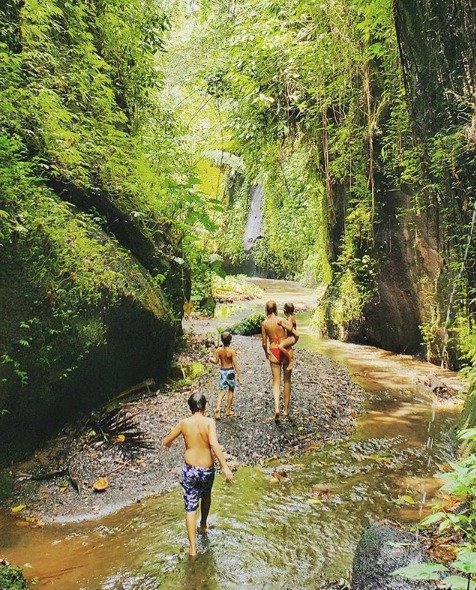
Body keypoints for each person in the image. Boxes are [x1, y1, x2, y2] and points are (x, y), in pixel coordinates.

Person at [163, 392, 234, 556]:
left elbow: (166, 441)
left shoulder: (184, 423)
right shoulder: (209, 422)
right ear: (205, 406)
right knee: (206, 495)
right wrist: (225, 467)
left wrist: (176, 443)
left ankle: (193, 549)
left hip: (190, 470)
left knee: (190, 507)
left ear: (190, 408)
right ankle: (203, 525)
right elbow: (214, 444)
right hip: (207, 470)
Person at [261, 300, 293, 422]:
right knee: (287, 381)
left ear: (266, 309)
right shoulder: (282, 320)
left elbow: (264, 343)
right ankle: (285, 410)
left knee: (276, 382)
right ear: (275, 309)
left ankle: (276, 409)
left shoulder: (264, 323)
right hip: (285, 349)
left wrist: (266, 353)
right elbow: (291, 334)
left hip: (273, 350)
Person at [210, 331, 242, 419]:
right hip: (230, 371)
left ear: (222, 340)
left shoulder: (218, 350)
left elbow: (216, 362)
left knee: (221, 391)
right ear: (230, 340)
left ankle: (217, 408)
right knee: (231, 390)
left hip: (223, 371)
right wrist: (239, 376)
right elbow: (236, 364)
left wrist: (210, 359)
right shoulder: (231, 352)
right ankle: (228, 410)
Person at [277, 302, 299, 372]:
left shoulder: (290, 318)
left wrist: (282, 324)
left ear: (285, 310)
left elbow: (290, 328)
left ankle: (290, 360)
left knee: (280, 346)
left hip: (292, 337)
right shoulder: (290, 317)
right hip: (291, 337)